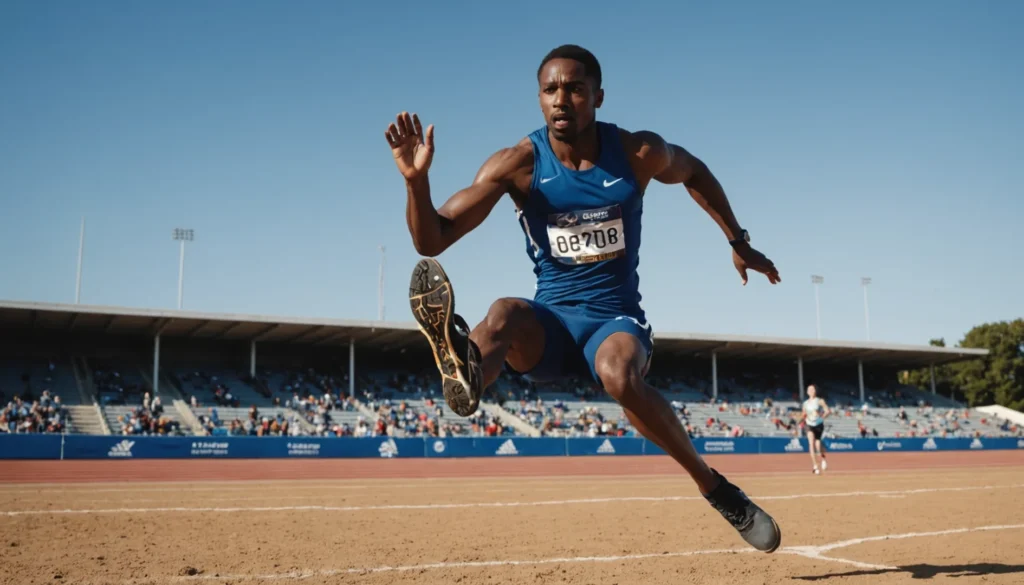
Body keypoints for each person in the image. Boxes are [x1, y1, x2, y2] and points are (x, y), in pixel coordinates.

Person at [386, 44, 782, 553]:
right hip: (549, 325)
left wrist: (737, 240)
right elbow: (432, 240)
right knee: (503, 312)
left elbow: (695, 171)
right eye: (550, 89)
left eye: (574, 88)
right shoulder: (517, 165)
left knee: (619, 374)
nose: (561, 99)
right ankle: (465, 371)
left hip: (613, 321)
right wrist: (416, 183)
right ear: (538, 98)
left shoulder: (637, 153)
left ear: (598, 95)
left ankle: (716, 488)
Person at [802, 384, 830, 474]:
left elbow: (828, 411)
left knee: (818, 444)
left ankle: (823, 458)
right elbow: (804, 414)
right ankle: (815, 466)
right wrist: (802, 419)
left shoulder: (819, 401)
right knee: (811, 442)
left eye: (812, 389)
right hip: (809, 424)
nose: (811, 391)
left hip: (818, 424)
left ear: (815, 391)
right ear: (807, 392)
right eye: (809, 389)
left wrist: (821, 416)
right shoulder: (805, 403)